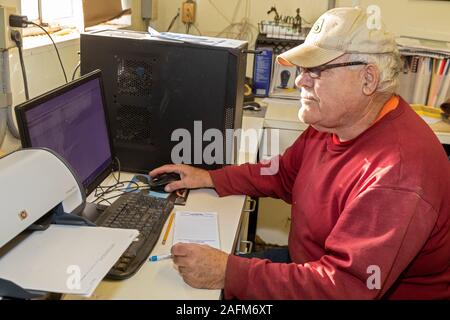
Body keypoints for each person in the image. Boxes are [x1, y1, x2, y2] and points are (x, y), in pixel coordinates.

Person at [150, 7, 450, 299]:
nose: (299, 81)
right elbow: (284, 174)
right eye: (302, 69)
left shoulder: (398, 175)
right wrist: (212, 178)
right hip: (311, 267)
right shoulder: (335, 122)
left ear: (368, 79)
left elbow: (346, 288)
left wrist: (230, 272)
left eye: (316, 71)